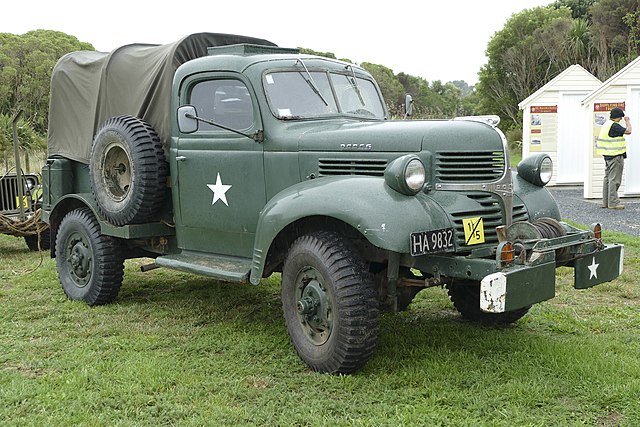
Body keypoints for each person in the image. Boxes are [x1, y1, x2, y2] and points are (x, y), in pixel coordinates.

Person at [597, 107, 632, 209]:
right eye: (620, 117)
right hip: (615, 156)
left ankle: (606, 202)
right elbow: (629, 131)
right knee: (614, 180)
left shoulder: (606, 124)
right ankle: (613, 203)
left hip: (607, 155)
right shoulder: (614, 126)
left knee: (607, 179)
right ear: (617, 117)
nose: (621, 119)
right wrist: (627, 121)